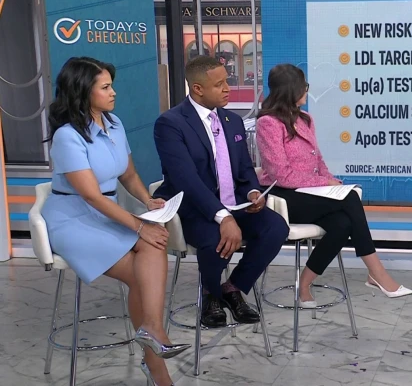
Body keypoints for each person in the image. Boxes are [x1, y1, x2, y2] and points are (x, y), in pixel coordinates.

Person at [41, 57, 189, 386]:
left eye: (112, 85)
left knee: (155, 244)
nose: (113, 92)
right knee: (143, 266)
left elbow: (129, 174)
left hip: (107, 211)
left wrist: (147, 201)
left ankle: (152, 332)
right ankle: (157, 359)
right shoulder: (68, 136)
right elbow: (91, 196)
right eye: (105, 87)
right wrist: (139, 225)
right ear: (83, 91)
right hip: (73, 218)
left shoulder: (115, 124)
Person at [255, 64, 412, 308]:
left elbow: (317, 160)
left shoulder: (305, 119)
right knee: (350, 198)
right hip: (283, 197)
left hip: (309, 193)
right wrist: (325, 183)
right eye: (304, 86)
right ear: (291, 89)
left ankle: (305, 284)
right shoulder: (268, 123)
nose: (307, 90)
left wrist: (332, 182)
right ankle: (376, 272)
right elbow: (282, 175)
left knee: (343, 223)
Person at [153, 55, 288, 328]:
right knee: (215, 237)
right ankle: (210, 295)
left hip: (234, 203)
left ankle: (232, 288)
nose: (228, 88)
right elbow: (186, 180)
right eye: (219, 84)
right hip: (194, 207)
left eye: (227, 81)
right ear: (197, 89)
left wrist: (252, 193)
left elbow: (244, 169)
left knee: (275, 228)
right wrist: (223, 217)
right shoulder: (171, 123)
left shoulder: (232, 121)